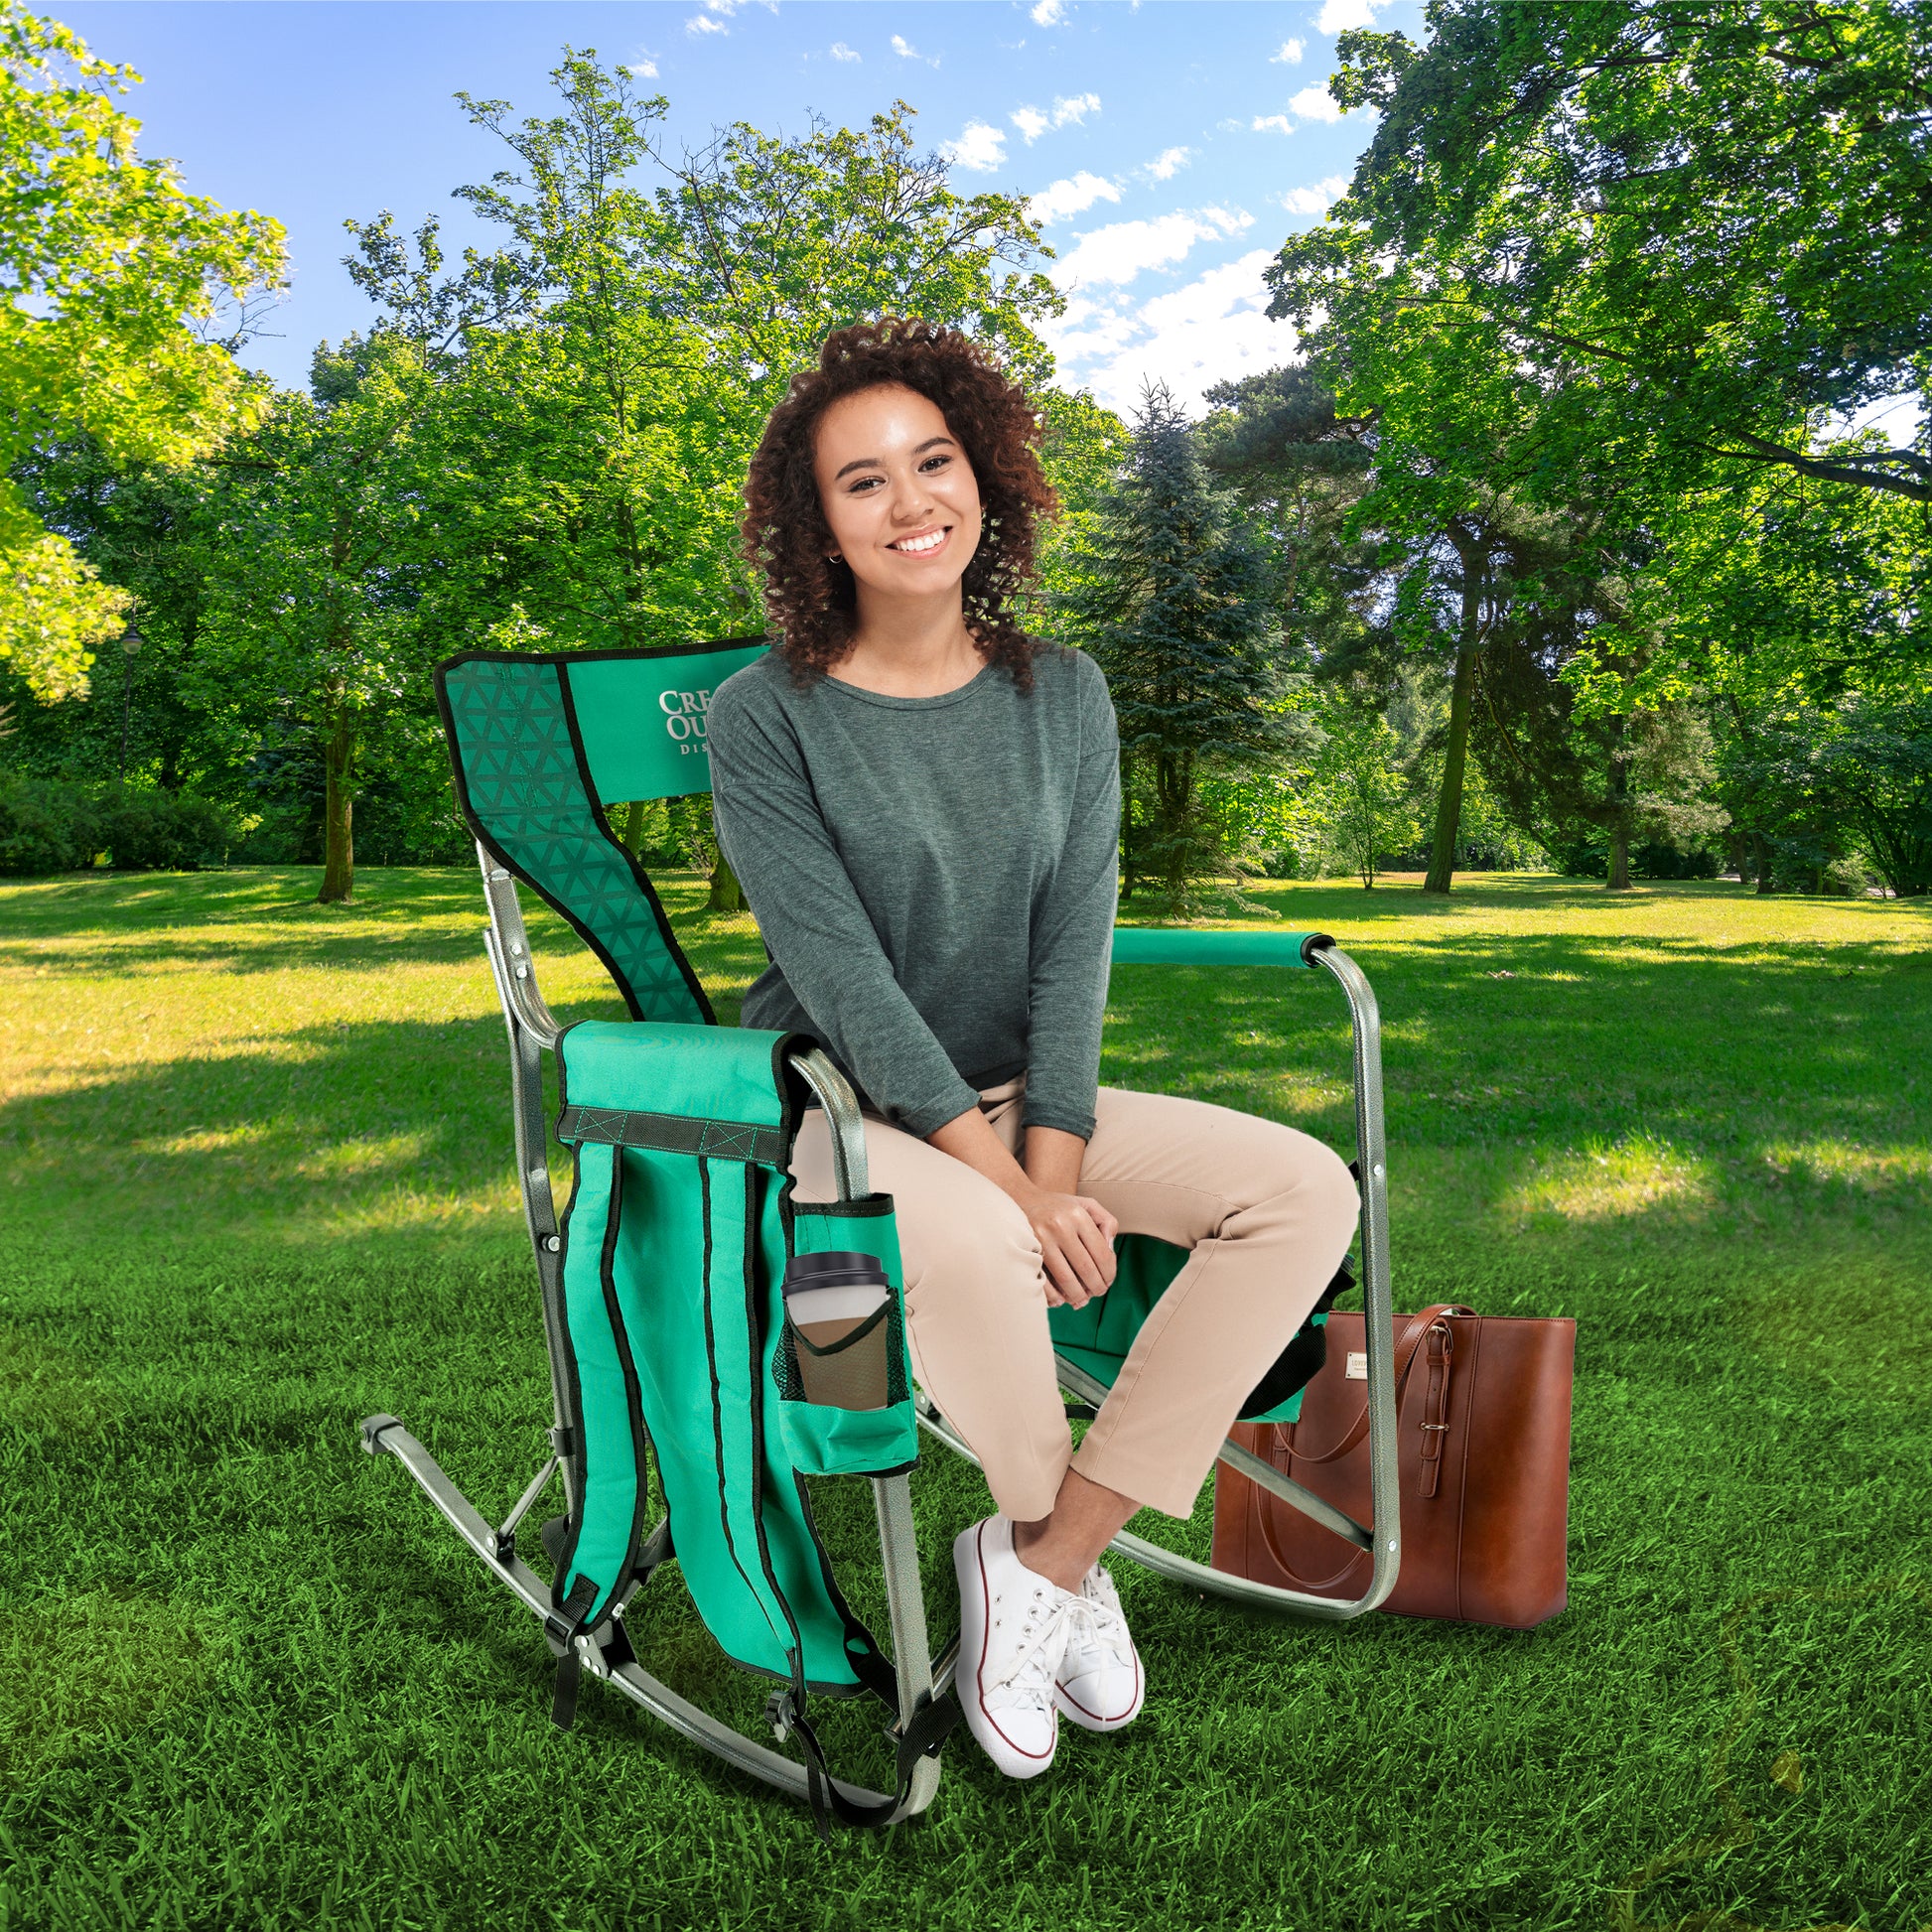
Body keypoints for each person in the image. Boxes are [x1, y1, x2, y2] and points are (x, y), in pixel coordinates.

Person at [707, 319, 1358, 1781]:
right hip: (840, 1111)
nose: (910, 500)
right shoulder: (765, 717)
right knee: (990, 1247)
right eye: (860, 481)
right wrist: (1015, 1194)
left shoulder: (1063, 692)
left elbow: (1077, 940)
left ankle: (1046, 1559)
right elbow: (845, 984)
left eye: (932, 462)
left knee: (1306, 1189)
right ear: (816, 526)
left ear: (984, 479)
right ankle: (1047, 1531)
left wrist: (1054, 1155)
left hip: (1020, 1097)